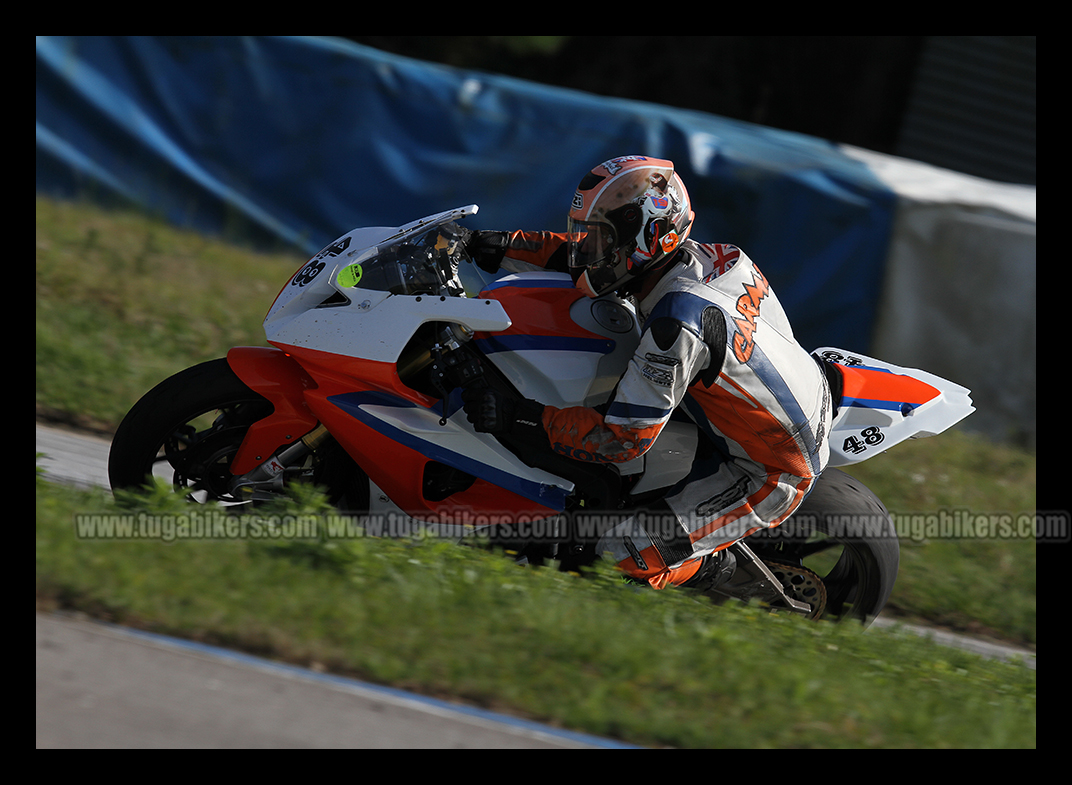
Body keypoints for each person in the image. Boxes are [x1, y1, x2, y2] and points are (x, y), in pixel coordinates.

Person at [461, 155, 833, 593]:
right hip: (774, 390)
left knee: (612, 557)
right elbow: (584, 257)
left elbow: (620, 441)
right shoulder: (714, 256)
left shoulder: (677, 325)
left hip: (772, 467)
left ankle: (720, 570)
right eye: (587, 233)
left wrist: (519, 417)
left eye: (599, 239)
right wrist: (497, 244)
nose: (587, 248)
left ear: (650, 238)